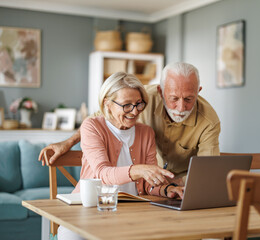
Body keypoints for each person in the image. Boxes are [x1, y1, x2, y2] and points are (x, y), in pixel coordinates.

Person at [39, 62, 221, 184]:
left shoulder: (209, 121)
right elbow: (99, 117)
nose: (181, 107)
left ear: (199, 91)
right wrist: (69, 142)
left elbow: (208, 170)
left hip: (180, 182)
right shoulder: (141, 98)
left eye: (189, 99)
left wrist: (174, 184)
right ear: (160, 91)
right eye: (173, 98)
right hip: (145, 180)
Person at [57, 72, 183, 240]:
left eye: (139, 104)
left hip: (131, 215)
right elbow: (103, 173)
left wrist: (168, 189)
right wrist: (139, 170)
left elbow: (148, 186)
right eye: (126, 105)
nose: (134, 111)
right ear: (107, 103)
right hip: (87, 210)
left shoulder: (146, 133)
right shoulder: (92, 127)